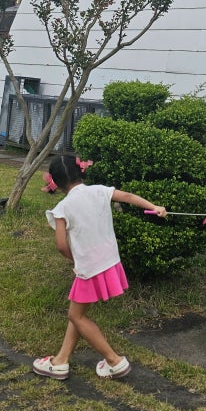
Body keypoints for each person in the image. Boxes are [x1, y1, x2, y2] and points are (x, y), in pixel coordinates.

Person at [33, 155, 167, 380]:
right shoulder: (99, 191)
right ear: (81, 171)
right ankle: (61, 360)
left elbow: (60, 245)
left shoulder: (62, 208)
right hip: (109, 262)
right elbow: (128, 196)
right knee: (78, 314)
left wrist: (74, 260)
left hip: (88, 269)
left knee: (76, 316)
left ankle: (114, 361)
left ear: (55, 182)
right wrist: (155, 207)